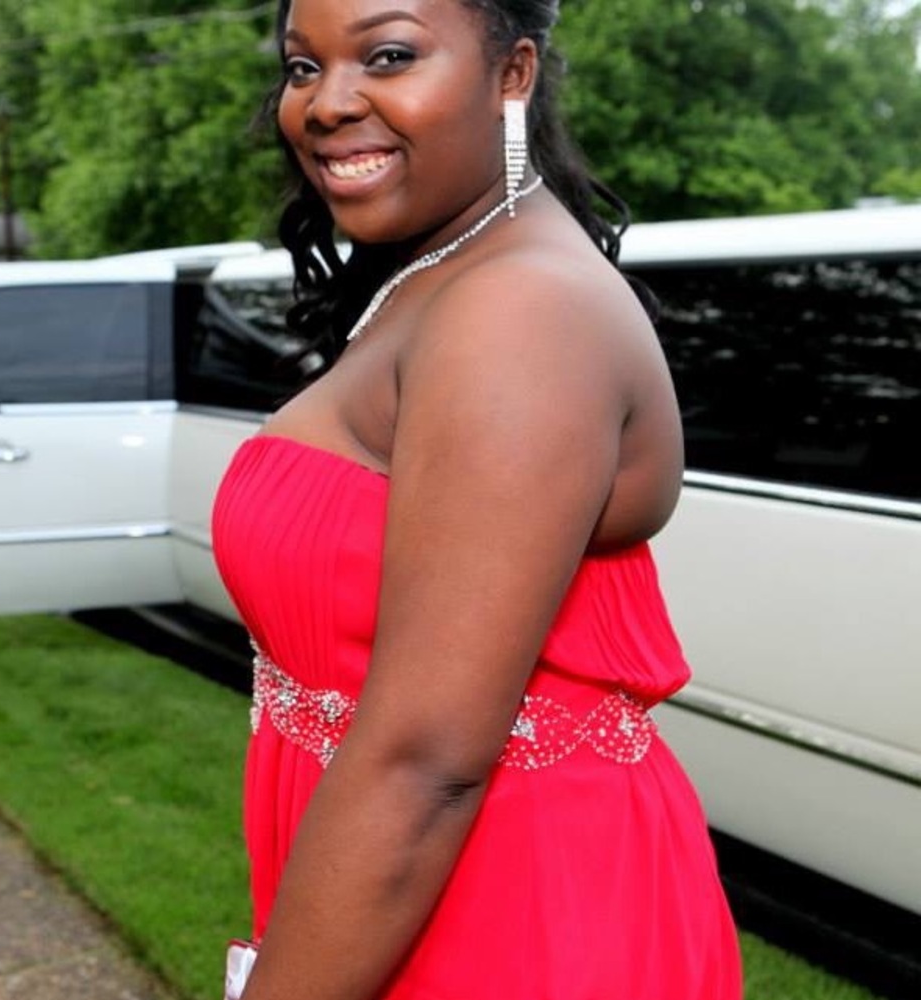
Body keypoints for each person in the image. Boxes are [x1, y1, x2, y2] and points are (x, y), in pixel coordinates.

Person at [212, 0, 744, 996]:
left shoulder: (518, 311)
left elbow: (426, 761)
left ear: (513, 74)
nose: (326, 104)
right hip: (394, 888)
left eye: (389, 54)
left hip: (512, 912)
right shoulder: (435, 276)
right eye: (300, 67)